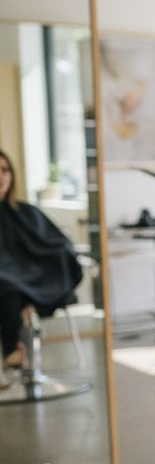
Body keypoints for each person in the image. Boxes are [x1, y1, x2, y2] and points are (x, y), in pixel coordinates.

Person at [0, 149, 82, 370]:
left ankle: (27, 305)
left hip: (38, 277)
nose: (2, 176)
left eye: (5, 170)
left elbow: (59, 243)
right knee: (7, 285)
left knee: (11, 285)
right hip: (7, 283)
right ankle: (12, 350)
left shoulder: (26, 212)